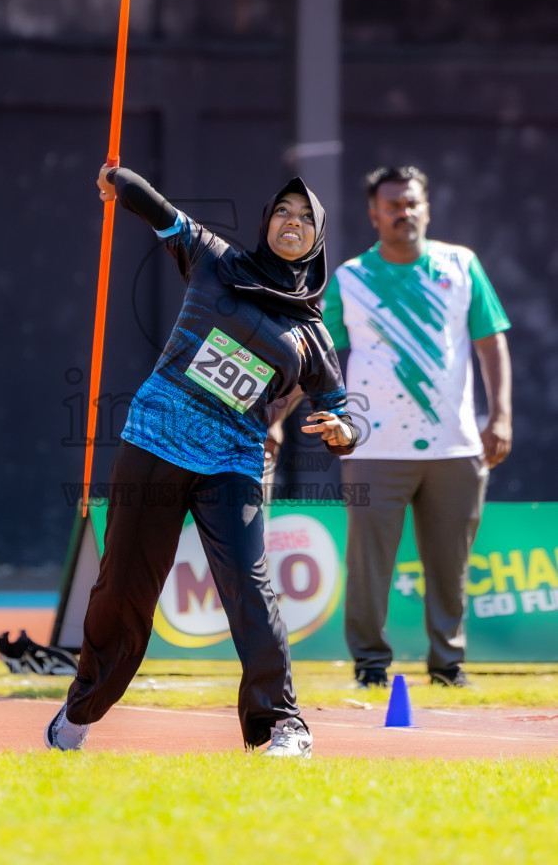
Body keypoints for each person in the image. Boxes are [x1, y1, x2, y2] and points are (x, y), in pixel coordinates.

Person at [45, 165, 359, 756]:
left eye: (305, 218)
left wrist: (341, 429)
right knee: (123, 589)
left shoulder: (313, 334)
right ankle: (80, 711)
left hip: (233, 459)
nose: (292, 223)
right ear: (266, 221)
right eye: (282, 212)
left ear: (318, 238)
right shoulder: (214, 259)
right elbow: (155, 208)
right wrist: (118, 181)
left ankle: (279, 726)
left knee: (250, 585)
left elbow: (343, 418)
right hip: (156, 440)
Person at [322, 165, 512, 689]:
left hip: (456, 447)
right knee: (368, 566)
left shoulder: (461, 264)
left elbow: (490, 340)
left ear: (426, 207)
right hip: (372, 447)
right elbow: (319, 356)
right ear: (373, 213)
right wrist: (273, 416)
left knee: (449, 566)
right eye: (392, 205)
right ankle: (370, 666)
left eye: (412, 203)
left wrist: (500, 415)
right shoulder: (351, 277)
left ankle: (448, 666)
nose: (403, 213)